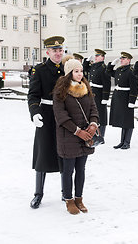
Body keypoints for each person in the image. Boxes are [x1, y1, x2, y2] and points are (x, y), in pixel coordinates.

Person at [53, 59, 99, 214]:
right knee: (68, 170)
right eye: (76, 71)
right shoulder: (61, 91)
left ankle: (79, 198)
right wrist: (79, 131)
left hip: (86, 137)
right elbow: (61, 116)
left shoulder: (86, 88)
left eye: (81, 71)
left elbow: (93, 109)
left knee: (81, 169)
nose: (80, 74)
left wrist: (93, 125)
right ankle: (69, 200)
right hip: (69, 137)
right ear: (69, 73)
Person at [27, 36, 65, 209]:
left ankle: (66, 192)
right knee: (42, 155)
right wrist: (35, 113)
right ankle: (38, 194)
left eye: (60, 50)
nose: (58, 53)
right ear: (48, 52)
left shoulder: (68, 68)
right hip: (46, 117)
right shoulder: (40, 70)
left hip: (65, 116)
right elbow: (33, 95)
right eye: (54, 51)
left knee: (66, 154)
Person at [107, 52, 138, 149]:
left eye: (123, 59)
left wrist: (132, 101)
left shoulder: (131, 71)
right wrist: (112, 64)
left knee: (128, 121)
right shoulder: (119, 69)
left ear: (129, 60)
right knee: (122, 121)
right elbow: (108, 72)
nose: (121, 60)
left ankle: (127, 142)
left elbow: (135, 87)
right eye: (121, 58)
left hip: (126, 98)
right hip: (118, 97)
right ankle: (122, 141)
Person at [82, 49, 111, 138]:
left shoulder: (104, 68)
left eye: (97, 56)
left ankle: (101, 135)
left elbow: (107, 83)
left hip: (100, 94)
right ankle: (94, 132)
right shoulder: (94, 66)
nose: (95, 57)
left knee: (101, 115)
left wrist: (105, 97)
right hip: (92, 93)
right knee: (93, 113)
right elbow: (85, 68)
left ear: (102, 57)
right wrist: (86, 60)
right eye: (95, 56)